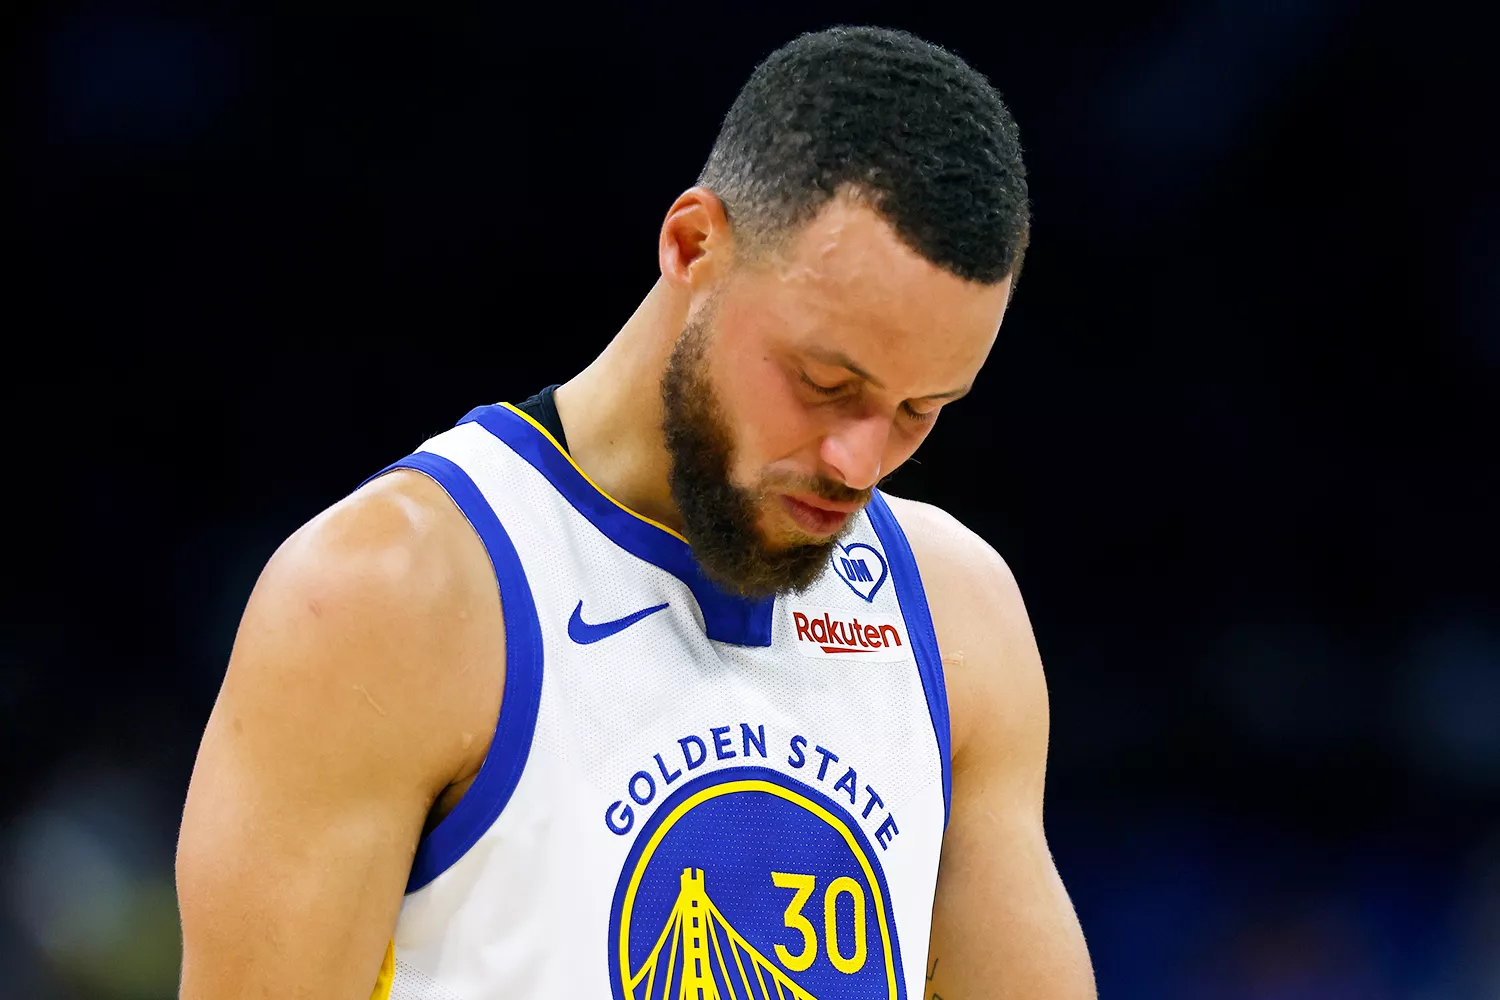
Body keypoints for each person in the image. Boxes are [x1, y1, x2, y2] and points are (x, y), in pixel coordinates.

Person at [177, 25, 1097, 1000]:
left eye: (920, 411)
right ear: (694, 246)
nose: (859, 461)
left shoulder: (956, 618)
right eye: (825, 382)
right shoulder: (389, 595)